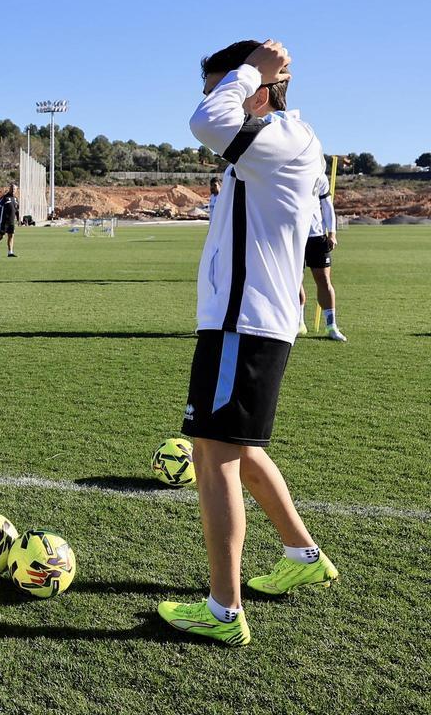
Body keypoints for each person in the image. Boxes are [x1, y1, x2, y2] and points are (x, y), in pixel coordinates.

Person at [159, 39, 339, 647]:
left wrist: (246, 73)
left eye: (226, 84)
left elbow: (208, 121)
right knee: (239, 447)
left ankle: (223, 612)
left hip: (244, 323)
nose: (213, 97)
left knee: (213, 456)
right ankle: (301, 554)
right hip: (245, 321)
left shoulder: (281, 137)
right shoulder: (276, 142)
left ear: (260, 88)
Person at [298, 175, 346, 341]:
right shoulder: (287, 170)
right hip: (292, 236)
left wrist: (332, 233)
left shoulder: (318, 175)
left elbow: (327, 206)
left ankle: (331, 326)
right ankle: (299, 323)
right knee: (294, 280)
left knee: (324, 280)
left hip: (316, 236)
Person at [0, 184, 19, 257]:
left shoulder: (15, 199)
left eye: (14, 189)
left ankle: (10, 252)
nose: (13, 190)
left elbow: (16, 210)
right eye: (12, 188)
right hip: (4, 221)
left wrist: (18, 219)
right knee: (1, 236)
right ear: (9, 189)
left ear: (16, 190)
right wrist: (0, 218)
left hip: (11, 221)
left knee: (11, 235)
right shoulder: (5, 198)